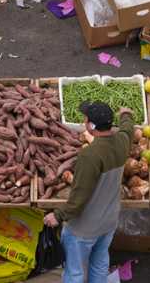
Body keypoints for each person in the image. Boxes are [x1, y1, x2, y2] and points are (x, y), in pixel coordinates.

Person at [43, 102, 134, 283]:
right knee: (99, 264)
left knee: (74, 271)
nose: (84, 121)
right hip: (109, 221)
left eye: (86, 119)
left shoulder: (90, 155)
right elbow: (127, 129)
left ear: (91, 125)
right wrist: (126, 115)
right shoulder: (122, 142)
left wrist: (59, 215)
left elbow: (79, 196)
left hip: (85, 227)